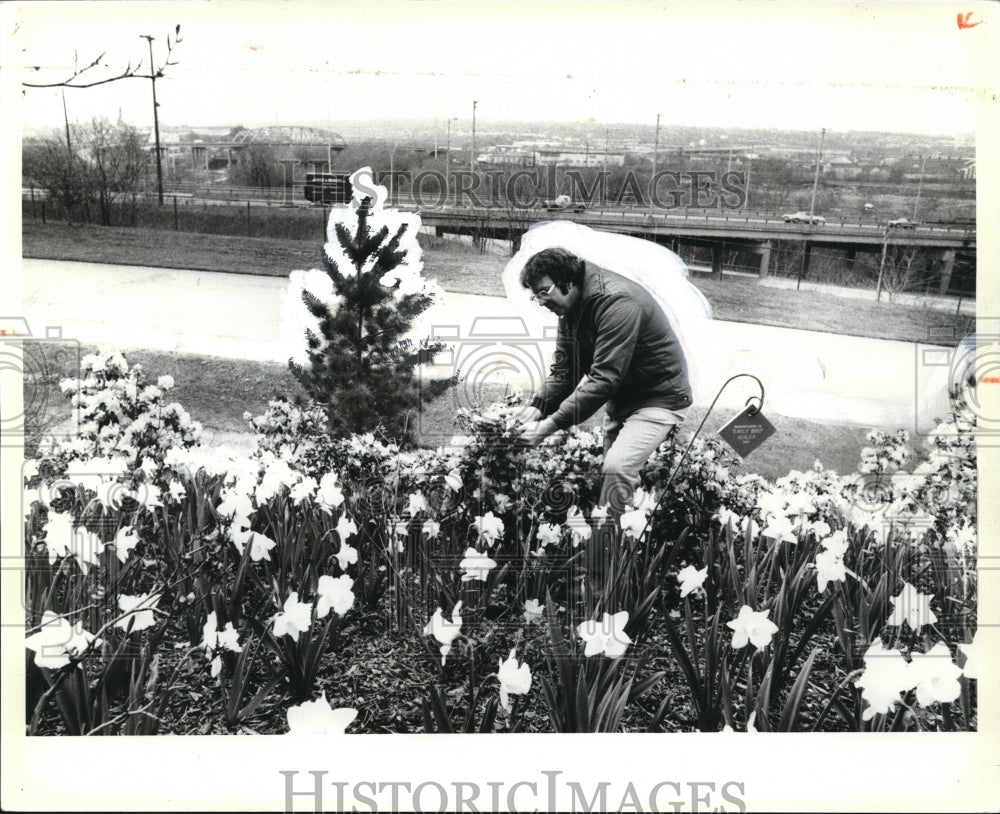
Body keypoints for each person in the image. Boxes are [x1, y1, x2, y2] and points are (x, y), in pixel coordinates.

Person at [516, 247, 693, 514]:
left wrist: (547, 427)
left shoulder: (618, 302)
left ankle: (612, 549)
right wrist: (536, 408)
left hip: (660, 397)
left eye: (544, 292)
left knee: (617, 468)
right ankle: (621, 538)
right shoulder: (570, 309)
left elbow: (603, 380)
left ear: (568, 281)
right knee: (612, 481)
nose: (541, 302)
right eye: (535, 296)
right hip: (624, 398)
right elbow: (565, 373)